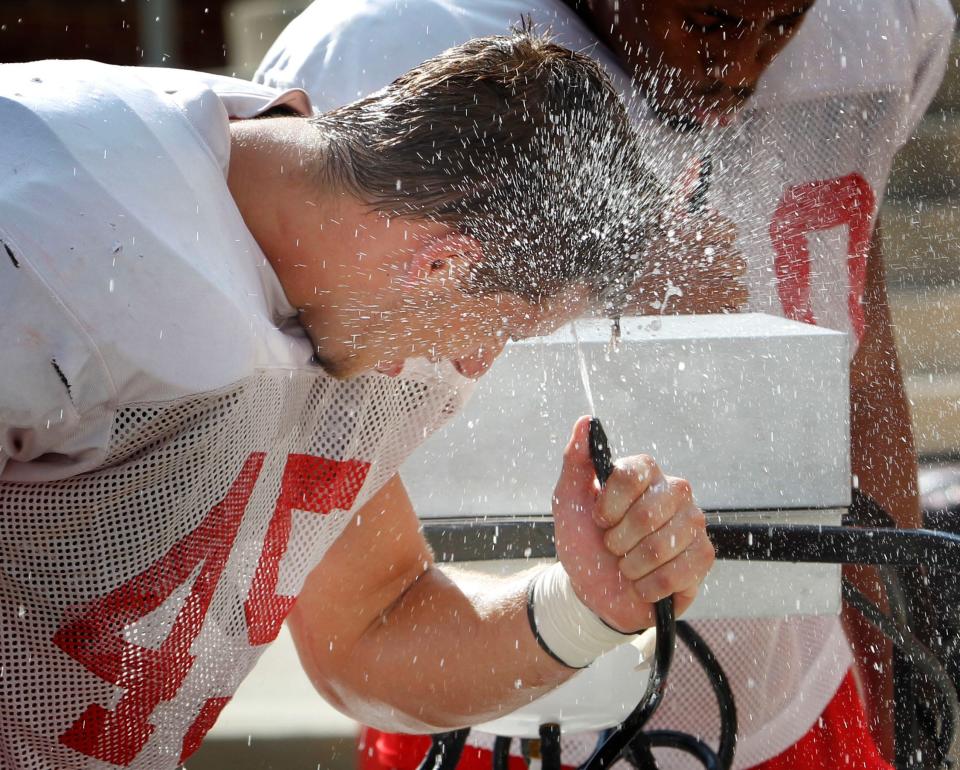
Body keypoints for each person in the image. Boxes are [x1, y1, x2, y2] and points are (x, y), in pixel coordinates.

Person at [255, 1, 954, 768]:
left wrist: (896, 646)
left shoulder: (882, 25)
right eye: (713, 22)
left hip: (791, 690)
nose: (741, 67)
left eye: (782, 24)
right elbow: (351, 607)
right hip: (484, 702)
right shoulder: (382, 52)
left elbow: (851, 303)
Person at [0, 32, 723, 770]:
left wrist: (586, 605)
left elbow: (372, 622)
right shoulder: (42, 241)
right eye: (504, 327)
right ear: (440, 262)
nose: (477, 362)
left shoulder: (340, 276)